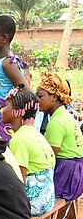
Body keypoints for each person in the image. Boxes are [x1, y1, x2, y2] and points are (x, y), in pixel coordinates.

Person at [1, 87, 55, 219]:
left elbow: (18, 182)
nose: (2, 109)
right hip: (47, 194)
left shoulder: (20, 140)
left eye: (6, 105)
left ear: (18, 111)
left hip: (35, 199)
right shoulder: (34, 134)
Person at [36, 72, 83, 201]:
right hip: (77, 171)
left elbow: (49, 158)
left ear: (54, 97)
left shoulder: (56, 122)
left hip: (67, 174)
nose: (36, 100)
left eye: (40, 96)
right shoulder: (66, 115)